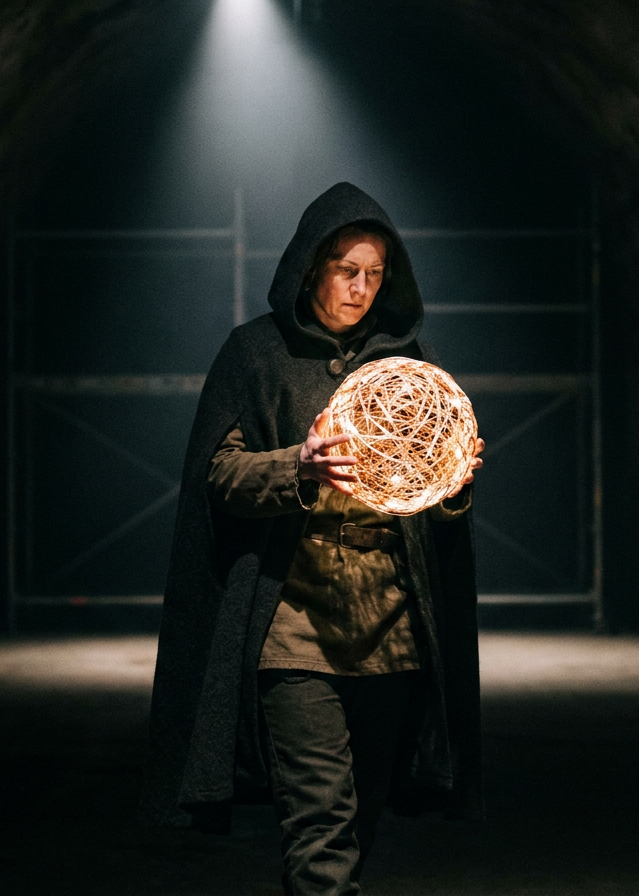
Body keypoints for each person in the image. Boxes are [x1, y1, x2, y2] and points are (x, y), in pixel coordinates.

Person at [140, 182, 484, 895]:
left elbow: (430, 508)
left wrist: (453, 486)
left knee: (359, 825)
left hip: (391, 637)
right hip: (295, 632)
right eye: (346, 270)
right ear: (310, 267)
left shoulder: (406, 361)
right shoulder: (255, 356)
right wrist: (296, 463)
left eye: (375, 274)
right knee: (321, 825)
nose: (361, 289)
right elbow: (221, 475)